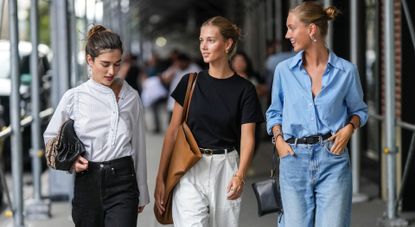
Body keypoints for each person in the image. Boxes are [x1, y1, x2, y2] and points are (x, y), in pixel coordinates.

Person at [154, 16, 264, 227]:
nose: (203, 46)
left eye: (211, 40)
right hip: (189, 166)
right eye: (201, 40)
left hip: (226, 168)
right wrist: (161, 178)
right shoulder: (189, 82)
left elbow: (248, 139)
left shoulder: (245, 90)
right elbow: (172, 132)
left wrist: (240, 175)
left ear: (228, 44)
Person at [266, 2, 368, 227]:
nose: (287, 34)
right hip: (293, 158)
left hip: (332, 158)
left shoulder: (346, 71)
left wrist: (349, 128)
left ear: (311, 30)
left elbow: (360, 110)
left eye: (292, 28)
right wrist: (279, 141)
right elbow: (274, 112)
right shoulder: (284, 71)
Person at [43, 25, 149, 227]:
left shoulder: (131, 97)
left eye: (117, 64)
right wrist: (71, 162)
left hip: (124, 182)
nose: (112, 71)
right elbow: (50, 137)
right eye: (105, 64)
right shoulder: (74, 97)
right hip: (87, 182)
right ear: (89, 60)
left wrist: (142, 191)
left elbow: (139, 146)